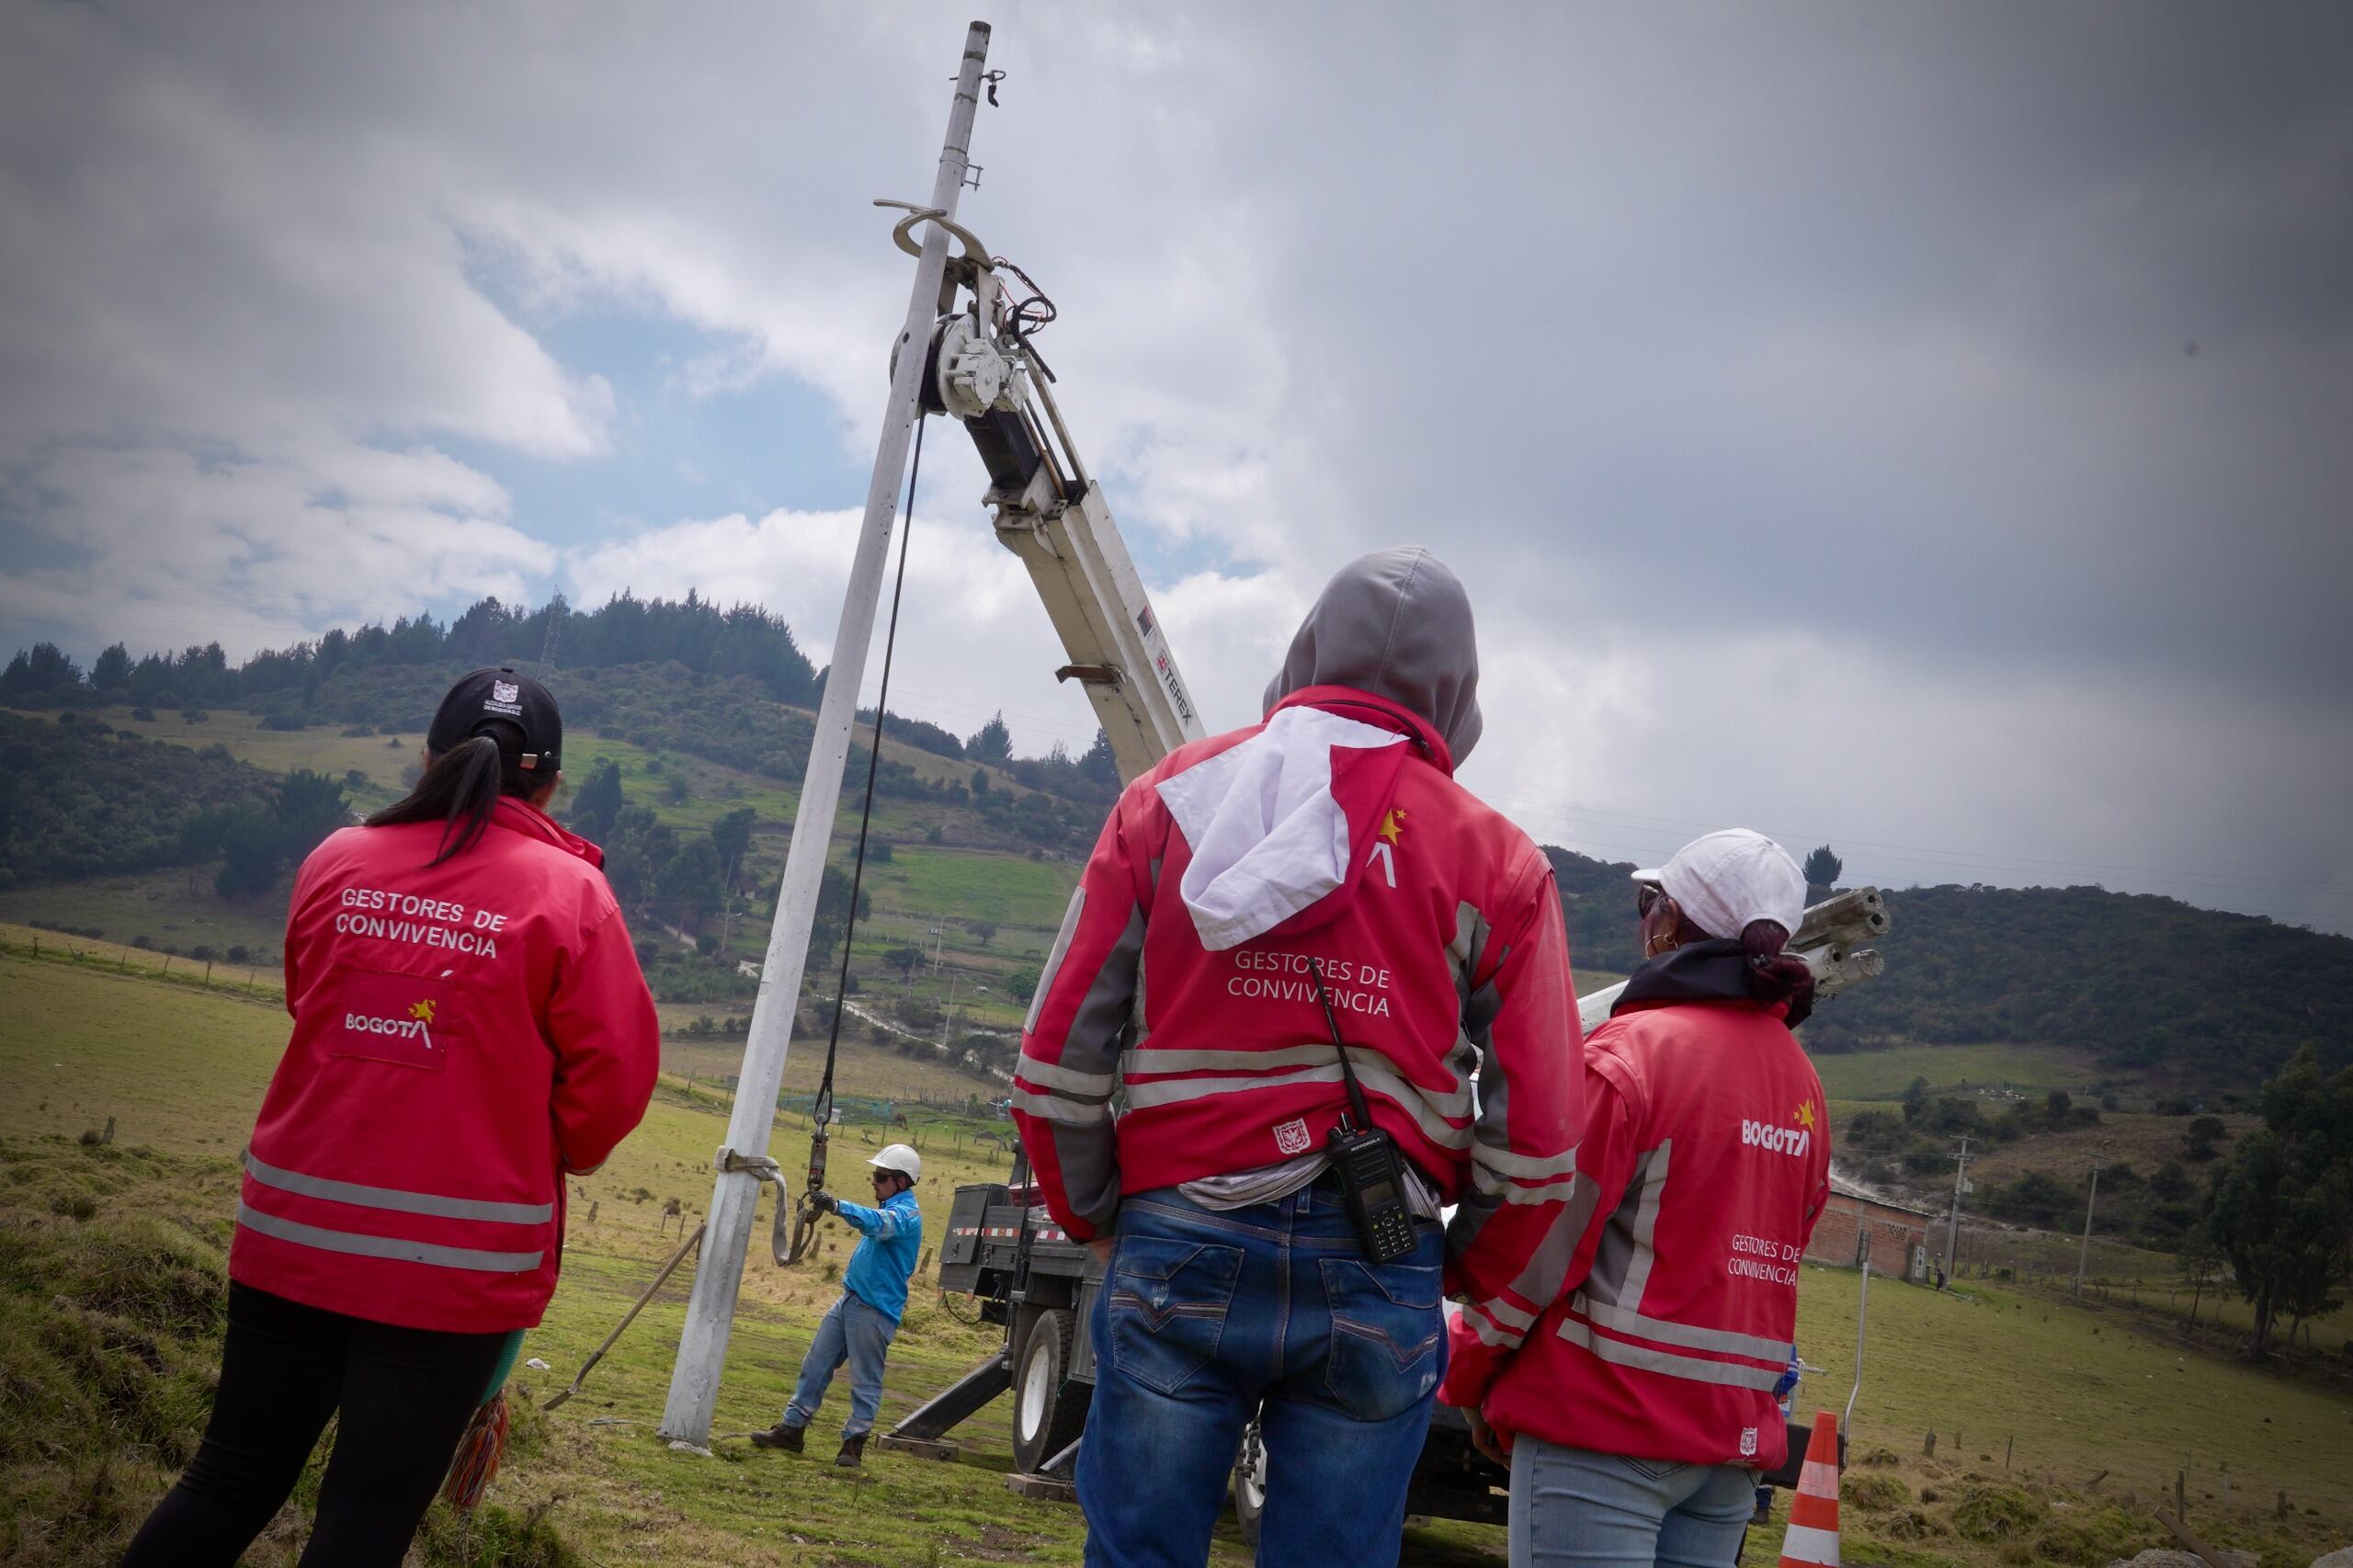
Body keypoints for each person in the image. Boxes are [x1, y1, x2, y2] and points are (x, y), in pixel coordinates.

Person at [1013, 548, 1584, 1568]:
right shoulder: (1499, 862)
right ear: (1460, 694)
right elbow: (1540, 1137)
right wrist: (1453, 1263)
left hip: (1178, 1229)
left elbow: (1056, 1064)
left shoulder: (1167, 801)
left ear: (1305, 648)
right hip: (1379, 1257)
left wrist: (1097, 1212)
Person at [124, 665, 661, 1567]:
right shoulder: (571, 897)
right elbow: (611, 1082)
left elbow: (313, 1004)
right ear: (551, 781)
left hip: (293, 1232)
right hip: (452, 1270)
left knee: (225, 1480)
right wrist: (541, 1142)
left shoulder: (337, 859)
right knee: (364, 1522)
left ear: (426, 758)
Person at [1442, 828, 1832, 1568]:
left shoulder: (1630, 1057)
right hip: (1730, 1452)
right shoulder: (1803, 1083)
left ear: (1671, 925)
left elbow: (1540, 1244)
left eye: (1648, 902)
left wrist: (1467, 1370)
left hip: (1604, 1433)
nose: (1641, 919)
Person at [752, 1143, 926, 1468]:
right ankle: (792, 1430)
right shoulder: (891, 1206)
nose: (873, 1181)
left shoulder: (904, 1216)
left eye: (881, 1176)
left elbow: (877, 1223)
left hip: (873, 1312)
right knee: (815, 1365)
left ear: (901, 1181)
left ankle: (853, 1445)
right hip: (849, 1301)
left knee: (865, 1380)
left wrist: (836, 1206)